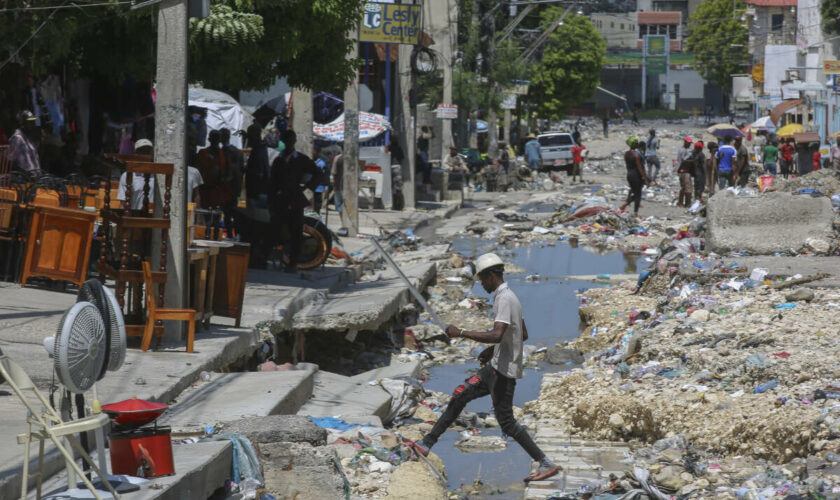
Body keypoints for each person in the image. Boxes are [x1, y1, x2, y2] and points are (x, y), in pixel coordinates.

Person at [404, 253, 561, 483]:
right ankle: (427, 443)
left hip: (502, 373)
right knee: (460, 396)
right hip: (495, 366)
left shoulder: (505, 299)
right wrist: (492, 351)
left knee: (506, 422)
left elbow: (498, 333)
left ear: (491, 275)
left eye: (482, 279)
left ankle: (546, 463)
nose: (481, 284)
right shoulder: (507, 297)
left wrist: (461, 332)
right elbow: (521, 333)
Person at [270, 130, 325, 272]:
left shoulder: (301, 159)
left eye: (290, 140)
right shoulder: (278, 160)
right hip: (280, 201)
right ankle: (279, 258)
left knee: (296, 232)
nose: (288, 142)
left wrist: (307, 189)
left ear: (294, 141)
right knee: (277, 230)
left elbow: (319, 174)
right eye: (286, 140)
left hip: (295, 200)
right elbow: (272, 181)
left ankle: (292, 263)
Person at [197, 130, 235, 212]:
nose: (215, 140)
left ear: (220, 140)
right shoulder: (203, 153)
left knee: (216, 218)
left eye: (217, 138)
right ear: (209, 139)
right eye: (214, 138)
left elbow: (230, 174)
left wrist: (224, 180)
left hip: (219, 193)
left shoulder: (224, 155)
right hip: (206, 193)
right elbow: (199, 173)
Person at [117, 138, 155, 211]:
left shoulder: (157, 175)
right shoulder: (127, 175)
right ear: (136, 154)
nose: (145, 156)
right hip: (135, 216)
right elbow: (123, 203)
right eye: (142, 152)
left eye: (148, 152)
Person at [619, 137, 649, 216]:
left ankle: (626, 204)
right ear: (634, 144)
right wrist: (645, 178)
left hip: (629, 174)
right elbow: (640, 167)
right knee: (638, 194)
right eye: (636, 142)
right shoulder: (636, 155)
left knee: (634, 191)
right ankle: (635, 212)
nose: (638, 143)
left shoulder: (626, 154)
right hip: (636, 175)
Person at [219, 128, 244, 203]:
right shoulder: (238, 152)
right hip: (234, 188)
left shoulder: (220, 153)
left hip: (223, 188)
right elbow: (241, 171)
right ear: (229, 137)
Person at [677, 142, 701, 207]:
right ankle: (687, 204)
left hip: (683, 172)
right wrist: (694, 161)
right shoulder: (690, 154)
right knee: (688, 189)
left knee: (684, 188)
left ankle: (681, 202)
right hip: (685, 172)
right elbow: (684, 161)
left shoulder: (690, 153)